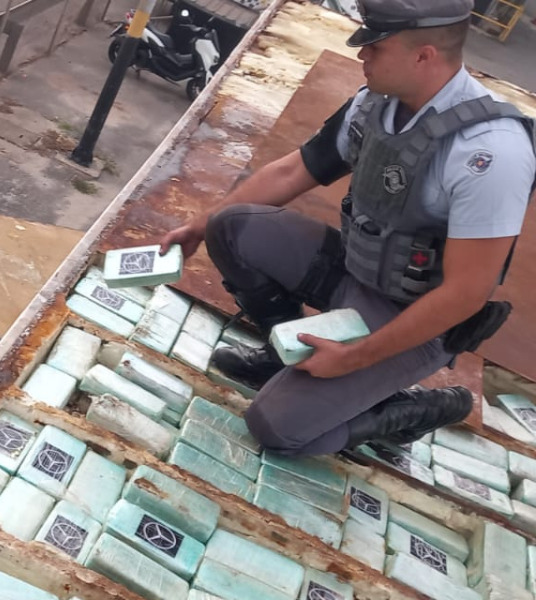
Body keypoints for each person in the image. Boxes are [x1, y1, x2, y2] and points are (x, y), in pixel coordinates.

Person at [159, 0, 535, 457]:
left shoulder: (490, 152)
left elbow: (465, 294)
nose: (361, 55)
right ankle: (286, 355)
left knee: (277, 428)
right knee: (229, 227)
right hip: (356, 272)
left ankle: (405, 411)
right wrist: (198, 226)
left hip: (415, 319)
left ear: (424, 55)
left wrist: (353, 359)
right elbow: (289, 173)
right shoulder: (372, 104)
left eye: (375, 46)